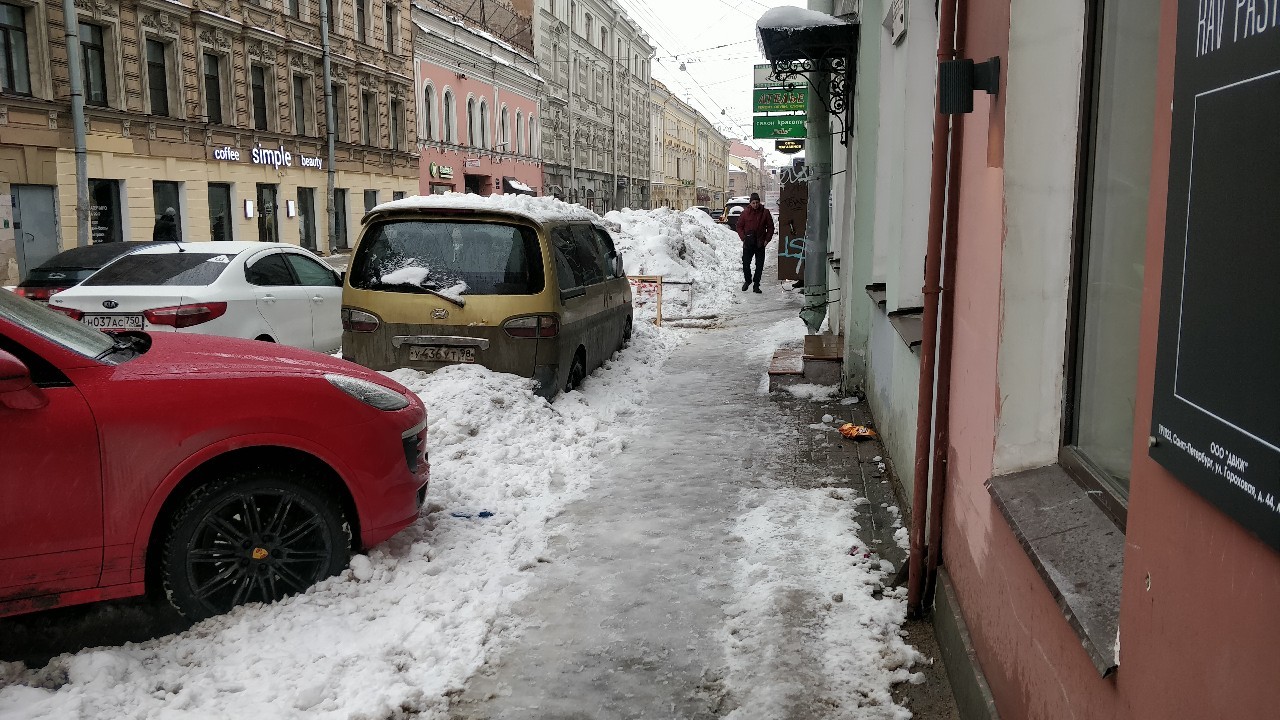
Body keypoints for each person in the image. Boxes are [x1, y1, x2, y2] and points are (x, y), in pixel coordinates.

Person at [736, 192, 775, 293]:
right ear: (750, 203)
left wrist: (766, 240)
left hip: (760, 243)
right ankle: (748, 280)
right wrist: (743, 238)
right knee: (746, 263)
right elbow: (739, 226)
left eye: (757, 202)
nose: (755, 205)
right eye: (753, 203)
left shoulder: (765, 212)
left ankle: (756, 285)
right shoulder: (745, 213)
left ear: (759, 202)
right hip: (748, 243)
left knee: (759, 265)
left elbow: (770, 227)